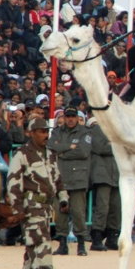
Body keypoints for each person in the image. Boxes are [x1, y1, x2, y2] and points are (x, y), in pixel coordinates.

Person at [6, 117, 67, 269]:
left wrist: (63, 199)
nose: (45, 135)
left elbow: (58, 180)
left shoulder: (50, 154)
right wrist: (17, 209)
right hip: (31, 205)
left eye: (46, 131)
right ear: (31, 133)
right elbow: (13, 182)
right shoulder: (22, 154)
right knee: (42, 242)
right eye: (41, 131)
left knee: (34, 245)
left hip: (46, 206)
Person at [48, 108, 91, 256]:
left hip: (78, 178)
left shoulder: (84, 132)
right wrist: (69, 147)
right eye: (68, 116)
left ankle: (81, 245)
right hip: (60, 178)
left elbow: (83, 152)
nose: (71, 119)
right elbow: (52, 147)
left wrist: (62, 152)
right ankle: (62, 244)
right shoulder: (57, 132)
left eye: (73, 116)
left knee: (78, 212)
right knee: (60, 213)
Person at [88, 118, 120, 251]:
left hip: (116, 173)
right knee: (102, 206)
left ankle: (112, 237)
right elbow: (99, 147)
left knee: (116, 208)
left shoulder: (116, 128)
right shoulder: (97, 127)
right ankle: (97, 236)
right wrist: (117, 146)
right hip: (102, 173)